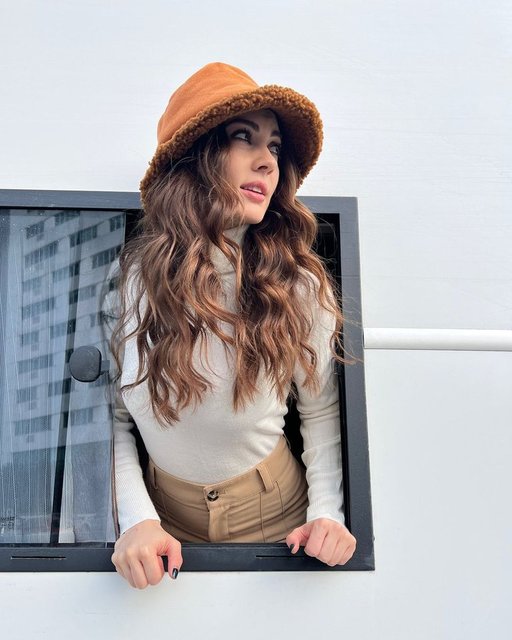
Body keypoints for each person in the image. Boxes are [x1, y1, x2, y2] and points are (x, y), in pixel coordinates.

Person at [108, 62, 357, 589]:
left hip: (277, 513)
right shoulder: (134, 280)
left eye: (274, 147)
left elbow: (321, 410)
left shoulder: (297, 283)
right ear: (196, 158)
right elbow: (112, 416)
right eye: (244, 137)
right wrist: (136, 518)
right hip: (162, 518)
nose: (267, 160)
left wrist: (327, 513)